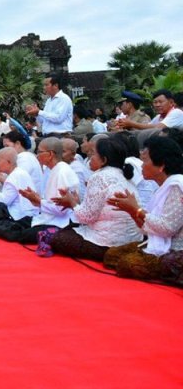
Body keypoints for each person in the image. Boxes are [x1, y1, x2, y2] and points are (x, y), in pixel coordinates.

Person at [48, 138, 144, 261]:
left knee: (59, 238)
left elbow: (86, 217)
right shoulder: (125, 178)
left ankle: (110, 254)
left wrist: (72, 202)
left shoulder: (99, 177)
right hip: (132, 241)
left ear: (104, 160)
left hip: (107, 243)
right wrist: (76, 203)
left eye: (93, 153)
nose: (90, 157)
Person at [103, 136, 183, 280]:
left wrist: (136, 209)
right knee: (112, 255)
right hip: (157, 242)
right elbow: (146, 228)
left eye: (145, 160)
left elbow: (167, 228)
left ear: (161, 166)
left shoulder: (177, 186)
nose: (141, 165)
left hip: (175, 249)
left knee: (128, 264)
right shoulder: (162, 187)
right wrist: (131, 211)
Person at [0, 137, 80, 245]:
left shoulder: (61, 172)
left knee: (22, 235)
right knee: (11, 225)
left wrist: (39, 201)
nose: (37, 155)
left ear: (50, 154)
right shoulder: (53, 170)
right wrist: (35, 199)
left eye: (39, 152)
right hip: (47, 217)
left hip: (61, 222)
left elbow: (60, 209)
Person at [116, 89, 183, 132]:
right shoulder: (158, 117)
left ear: (171, 102)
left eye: (160, 102)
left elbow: (158, 128)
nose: (157, 105)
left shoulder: (176, 112)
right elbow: (146, 129)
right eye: (155, 102)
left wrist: (131, 124)